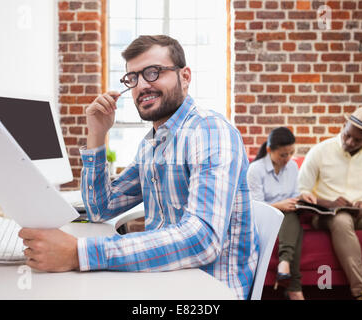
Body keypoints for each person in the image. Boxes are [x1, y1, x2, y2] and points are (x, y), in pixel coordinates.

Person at [18, 35, 259, 300]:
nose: (141, 85)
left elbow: (202, 241)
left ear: (185, 77)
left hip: (208, 291)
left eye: (153, 72)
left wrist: (78, 253)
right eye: (132, 78)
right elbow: (101, 208)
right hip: (166, 279)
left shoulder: (209, 131)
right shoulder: (153, 143)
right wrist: (97, 134)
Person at [298, 107, 362, 300]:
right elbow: (301, 191)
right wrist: (328, 202)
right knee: (341, 219)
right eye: (347, 136)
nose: (350, 142)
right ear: (343, 126)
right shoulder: (320, 151)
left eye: (358, 140)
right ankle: (361, 293)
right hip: (326, 215)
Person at [247, 127, 316, 300]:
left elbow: (293, 194)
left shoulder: (292, 166)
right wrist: (279, 206)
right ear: (270, 150)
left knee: (291, 217)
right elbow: (256, 207)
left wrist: (302, 196)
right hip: (266, 218)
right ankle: (293, 284)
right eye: (283, 155)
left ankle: (287, 270)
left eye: (291, 153)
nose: (287, 159)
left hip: (288, 217)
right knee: (292, 222)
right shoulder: (255, 170)